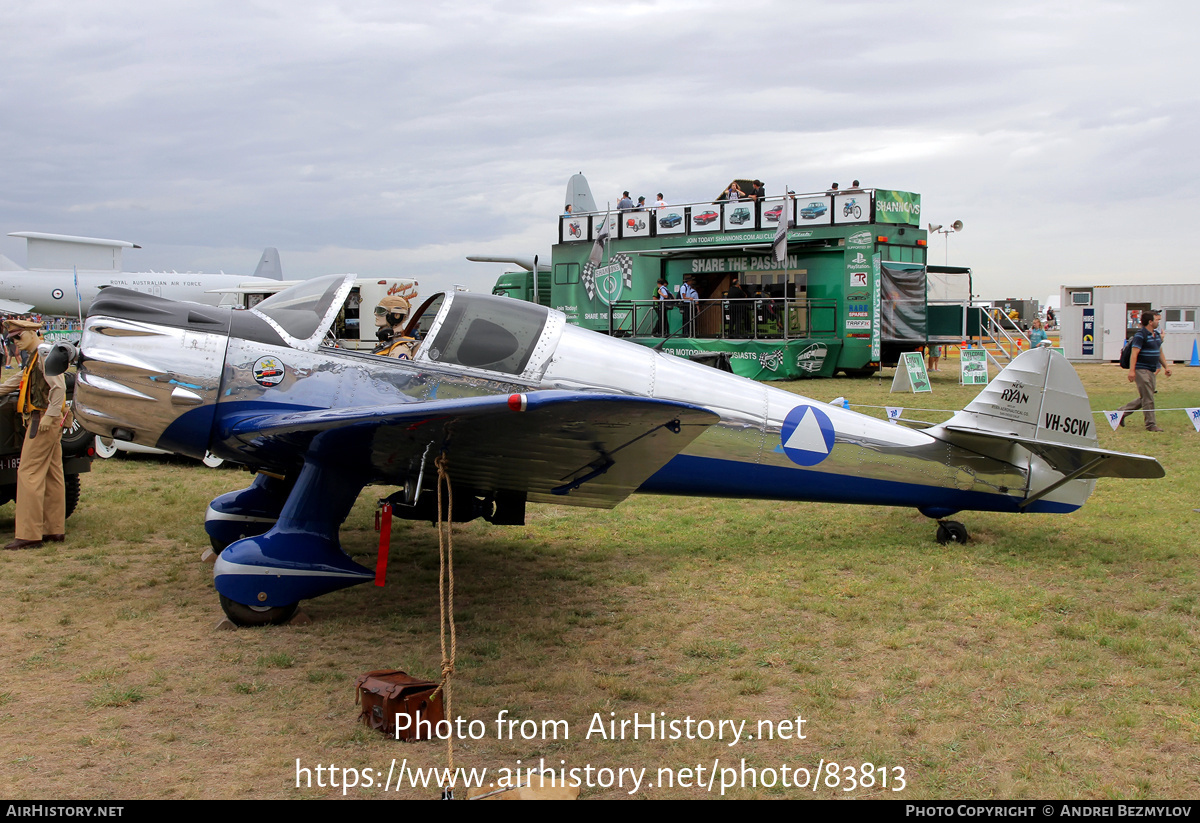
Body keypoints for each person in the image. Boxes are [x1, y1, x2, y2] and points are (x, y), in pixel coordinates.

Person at [0, 319, 67, 550]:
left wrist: (49, 416)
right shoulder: (35, 357)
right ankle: (53, 529)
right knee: (52, 474)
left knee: (28, 473)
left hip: (42, 421)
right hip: (46, 421)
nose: (15, 342)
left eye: (18, 337)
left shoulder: (45, 354)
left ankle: (29, 534)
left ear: (32, 333)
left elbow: (59, 387)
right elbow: (19, 381)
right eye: (11, 339)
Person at [1117, 310, 1171, 431]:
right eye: (1157, 320)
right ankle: (1151, 425)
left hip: (1151, 370)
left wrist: (1166, 367)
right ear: (1150, 322)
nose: (1159, 322)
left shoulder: (1156, 335)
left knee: (1147, 396)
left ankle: (1121, 412)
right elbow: (1134, 354)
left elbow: (1159, 352)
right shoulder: (1140, 335)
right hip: (1141, 369)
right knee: (1148, 398)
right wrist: (1132, 371)